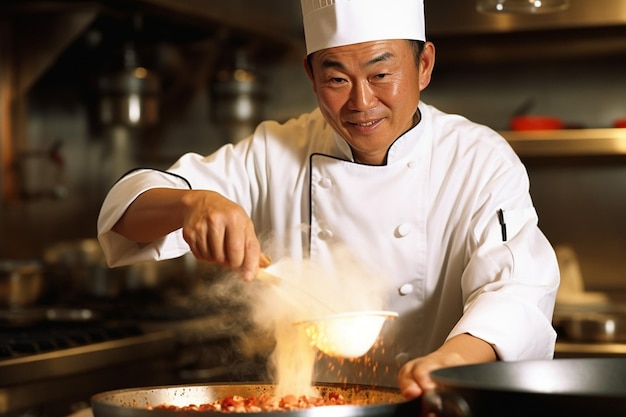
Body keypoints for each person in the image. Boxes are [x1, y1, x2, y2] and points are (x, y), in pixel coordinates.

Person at [97, 0, 560, 399]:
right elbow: (123, 211)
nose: (361, 102)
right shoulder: (277, 149)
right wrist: (190, 205)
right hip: (308, 404)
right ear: (311, 75)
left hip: (435, 404)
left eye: (381, 74)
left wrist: (452, 360)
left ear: (424, 66)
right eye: (337, 79)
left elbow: (517, 290)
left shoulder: (478, 159)